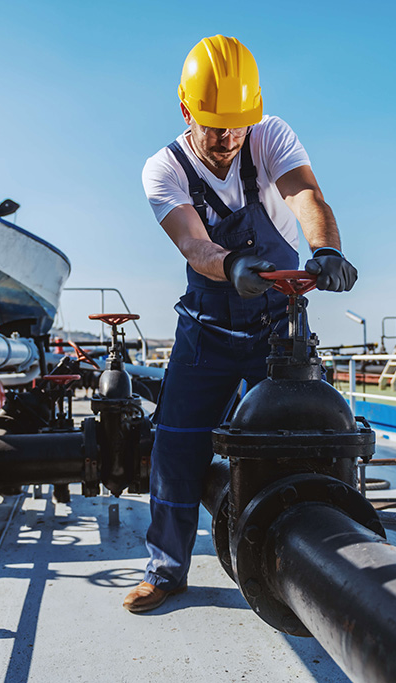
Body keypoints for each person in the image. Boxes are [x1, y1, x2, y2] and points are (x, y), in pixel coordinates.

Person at [124, 35, 357, 613]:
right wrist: (232, 265)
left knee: (299, 437)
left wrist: (324, 250)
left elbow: (306, 195)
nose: (229, 138)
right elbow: (193, 244)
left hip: (276, 327)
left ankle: (316, 560)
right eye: (214, 126)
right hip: (206, 330)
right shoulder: (163, 169)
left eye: (237, 125)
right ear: (186, 111)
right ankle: (166, 570)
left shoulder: (270, 135)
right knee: (175, 445)